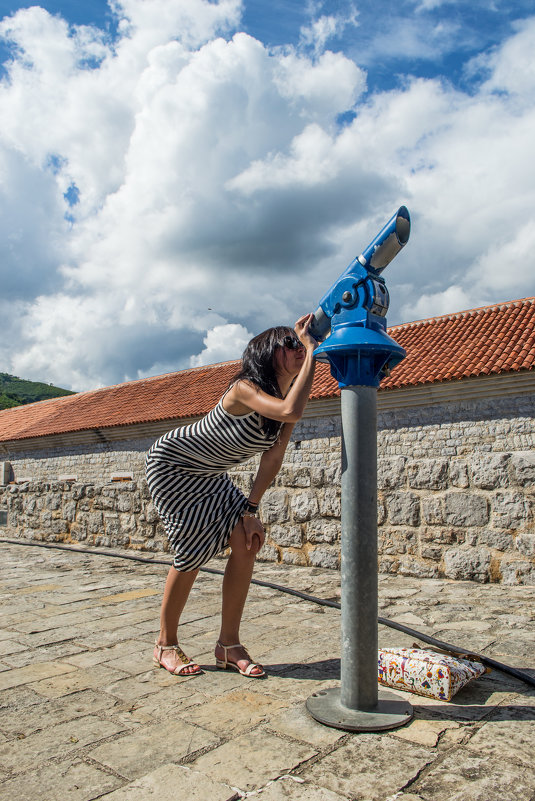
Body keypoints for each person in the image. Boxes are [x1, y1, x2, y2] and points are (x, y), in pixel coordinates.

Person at [145, 313, 317, 678]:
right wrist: (314, 349)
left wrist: (250, 509)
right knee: (189, 551)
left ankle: (228, 644)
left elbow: (272, 460)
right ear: (268, 355)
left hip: (209, 474)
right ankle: (165, 643)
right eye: (291, 344)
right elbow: (292, 410)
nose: (298, 349)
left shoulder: (283, 403)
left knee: (247, 540)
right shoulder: (245, 389)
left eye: (299, 344)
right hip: (173, 465)